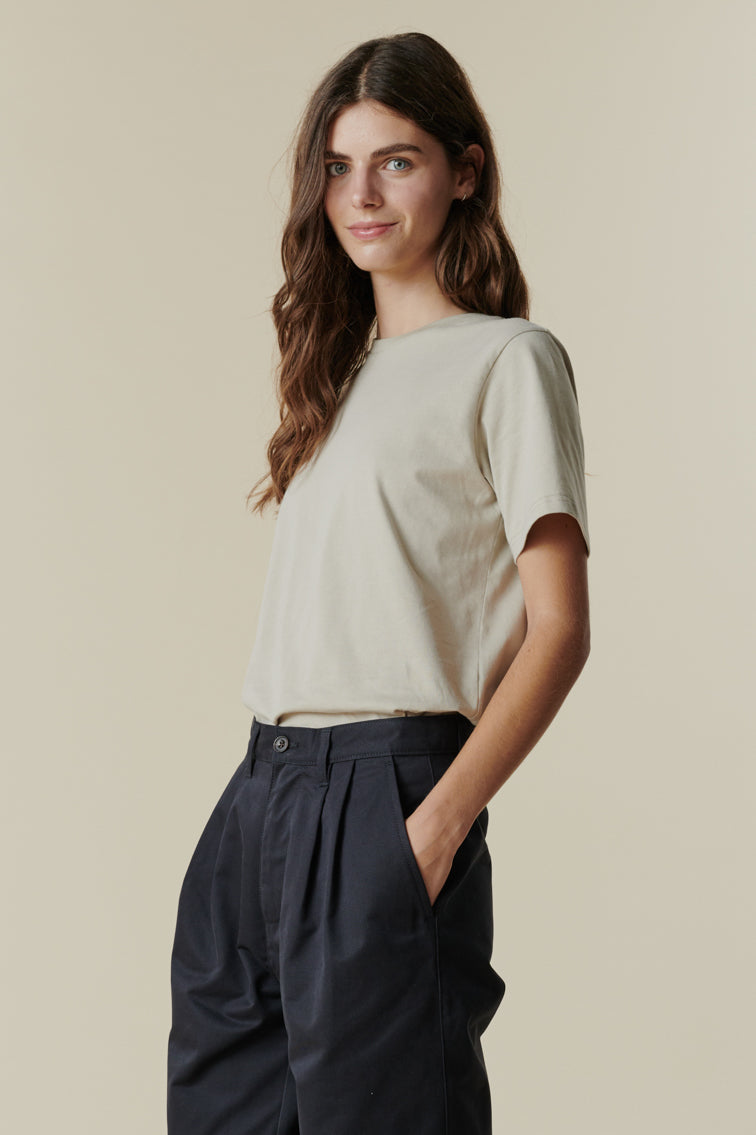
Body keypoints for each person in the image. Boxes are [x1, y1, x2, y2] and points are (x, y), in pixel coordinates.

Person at [167, 30, 591, 1135]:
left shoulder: (509, 360)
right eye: (340, 165)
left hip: (388, 791)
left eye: (396, 161)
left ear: (464, 170)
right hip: (261, 792)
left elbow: (559, 628)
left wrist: (439, 825)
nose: (361, 193)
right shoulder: (335, 377)